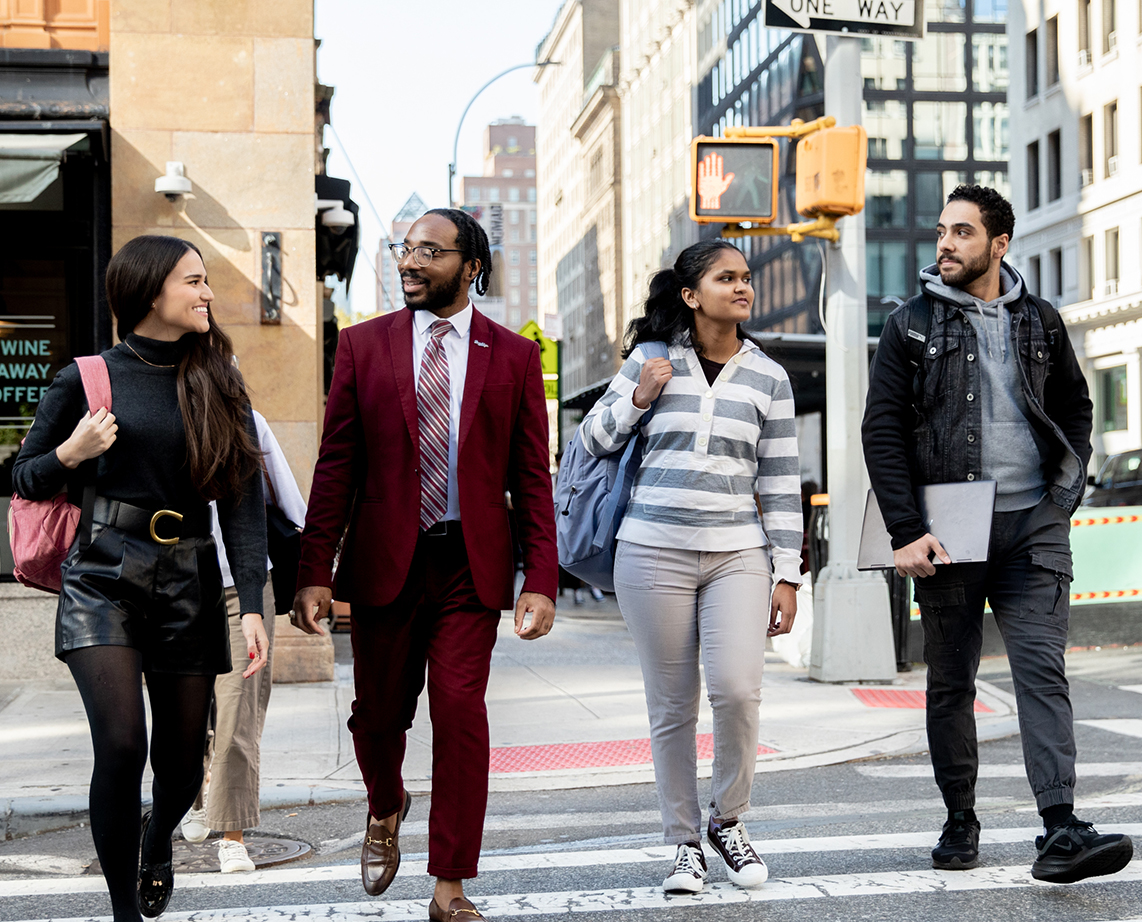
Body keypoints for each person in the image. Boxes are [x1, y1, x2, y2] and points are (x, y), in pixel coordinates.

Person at [862, 184, 1133, 882]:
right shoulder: (911, 325)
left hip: (1035, 522)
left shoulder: (1041, 321)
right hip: (950, 525)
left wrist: (1065, 487)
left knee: (1043, 671)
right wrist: (906, 529)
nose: (945, 243)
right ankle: (960, 818)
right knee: (952, 678)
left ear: (999, 244)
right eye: (942, 231)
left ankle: (1059, 827)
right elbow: (882, 432)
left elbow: (1075, 406)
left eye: (962, 232)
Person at [291, 208, 557, 922]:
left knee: (461, 713)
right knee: (378, 716)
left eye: (429, 252)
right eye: (405, 250)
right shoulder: (362, 347)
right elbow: (337, 465)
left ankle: (450, 884)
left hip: (469, 567)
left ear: (471, 266)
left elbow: (532, 476)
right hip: (385, 562)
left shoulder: (513, 356)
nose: (409, 262)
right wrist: (314, 567)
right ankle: (387, 801)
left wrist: (542, 579)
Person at [12, 235, 268, 921]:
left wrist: (248, 604)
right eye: (195, 281)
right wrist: (72, 451)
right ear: (151, 290)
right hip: (101, 574)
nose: (207, 293)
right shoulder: (88, 377)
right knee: (122, 744)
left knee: (183, 764)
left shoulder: (220, 378)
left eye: (206, 281)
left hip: (189, 576)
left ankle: (158, 839)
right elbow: (25, 475)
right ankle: (125, 910)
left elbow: (244, 499)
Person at [580, 239, 802, 894]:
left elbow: (783, 484)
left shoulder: (769, 377)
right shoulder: (650, 360)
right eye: (726, 277)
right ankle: (683, 844)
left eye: (746, 277)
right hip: (652, 551)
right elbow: (591, 440)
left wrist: (786, 571)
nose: (742, 287)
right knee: (672, 706)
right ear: (689, 293)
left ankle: (727, 819)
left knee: (737, 691)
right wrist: (638, 399)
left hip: (738, 552)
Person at [180, 410, 308, 873]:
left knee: (238, 711)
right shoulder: (153, 408)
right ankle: (195, 794)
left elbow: (287, 502)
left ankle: (231, 835)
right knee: (184, 712)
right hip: (173, 585)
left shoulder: (244, 419)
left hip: (243, 586)